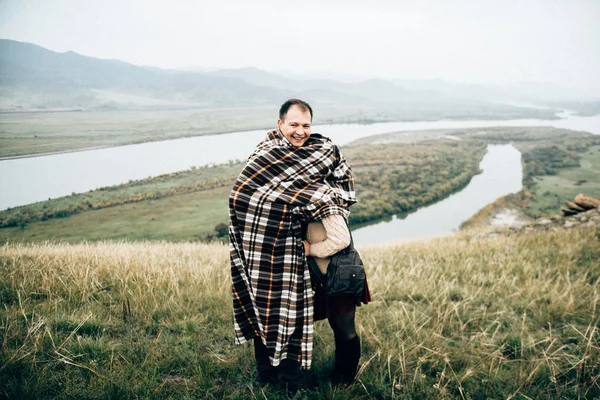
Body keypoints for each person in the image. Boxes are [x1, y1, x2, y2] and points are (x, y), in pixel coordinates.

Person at [228, 98, 370, 388]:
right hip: (282, 263)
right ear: (280, 124)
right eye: (294, 124)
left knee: (343, 324)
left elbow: (340, 234)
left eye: (306, 125)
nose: (300, 131)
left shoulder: (323, 163)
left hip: (330, 264)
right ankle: (277, 379)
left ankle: (343, 381)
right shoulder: (265, 157)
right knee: (276, 316)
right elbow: (243, 199)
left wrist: (309, 249)